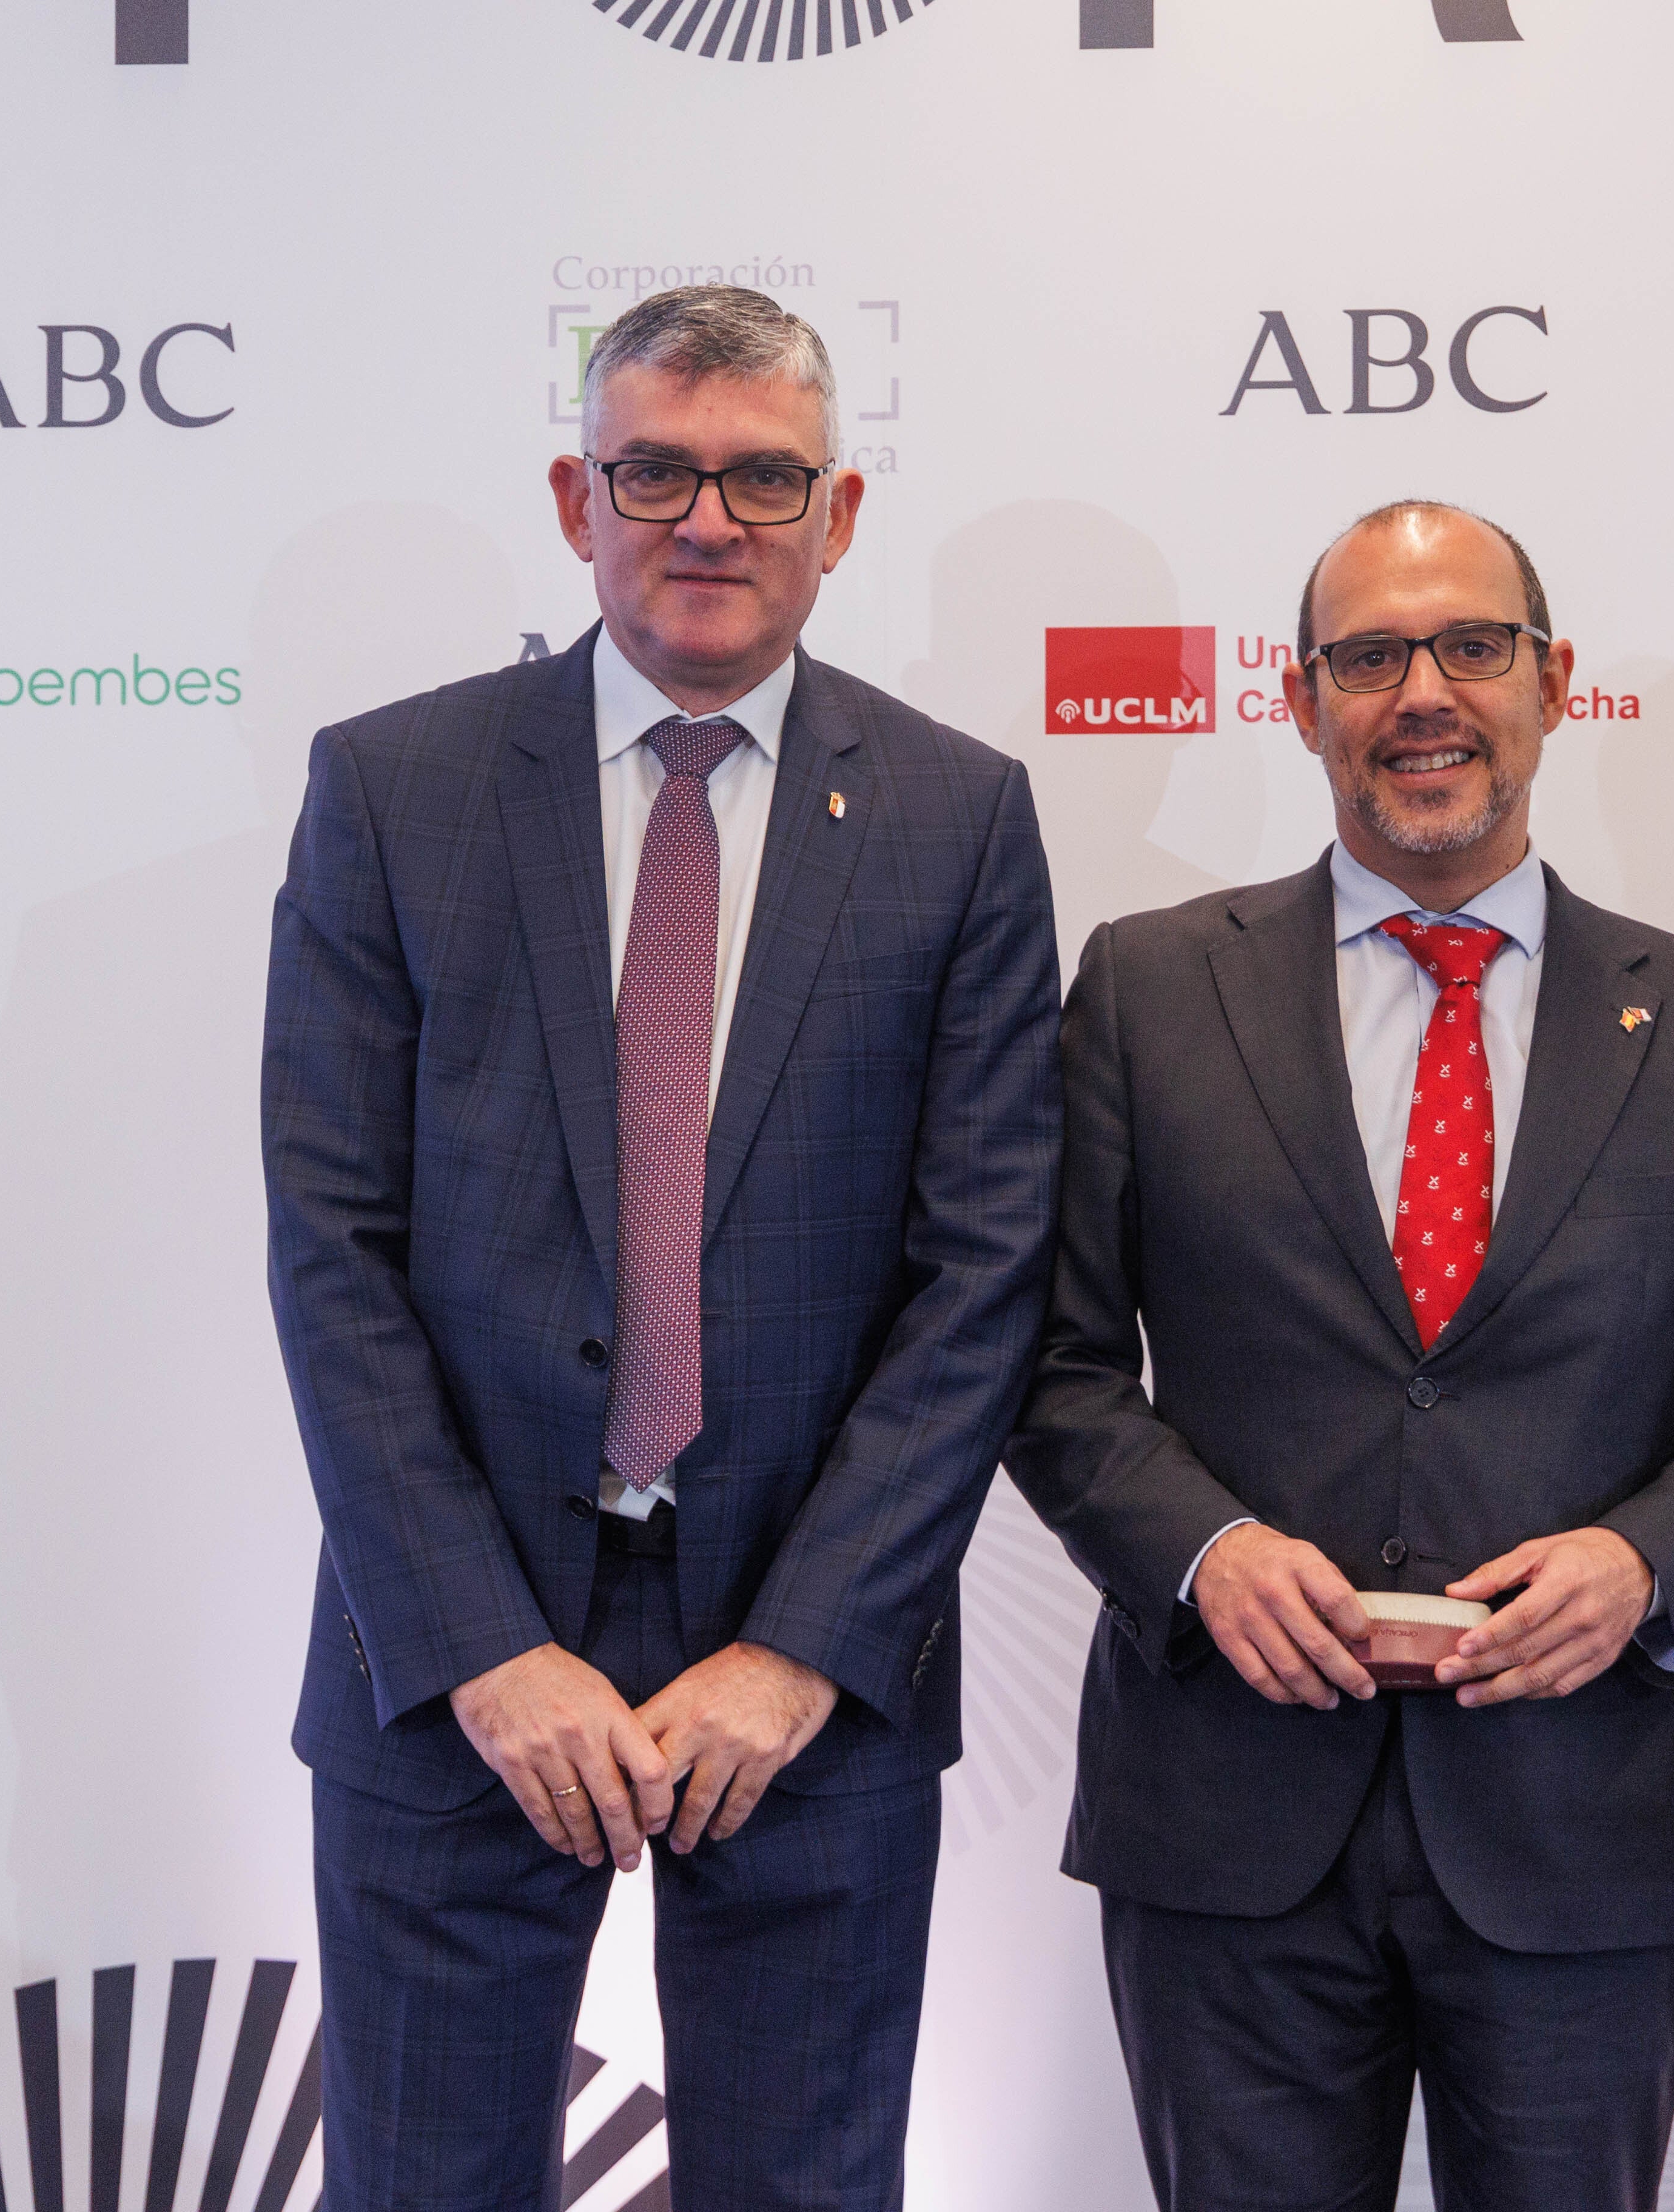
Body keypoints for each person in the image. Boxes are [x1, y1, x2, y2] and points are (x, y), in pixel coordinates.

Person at [262, 285, 1059, 2211]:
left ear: (840, 513)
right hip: (454, 1671)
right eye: (657, 472)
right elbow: (331, 1249)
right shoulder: (398, 789)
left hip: (809, 1673)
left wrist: (800, 1655)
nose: (710, 521)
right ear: (576, 495)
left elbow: (984, 1278)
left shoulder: (959, 816)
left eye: (764, 479)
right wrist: (480, 1654)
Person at [1003, 501, 1674, 2212]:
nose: (1423, 694)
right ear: (1301, 704)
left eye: (1471, 647)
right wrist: (1205, 1555)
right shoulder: (1149, 988)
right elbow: (1049, 1360)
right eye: (1368, 657)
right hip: (1228, 1821)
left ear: (1554, 685)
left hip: (1579, 1826)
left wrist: (1643, 1565)